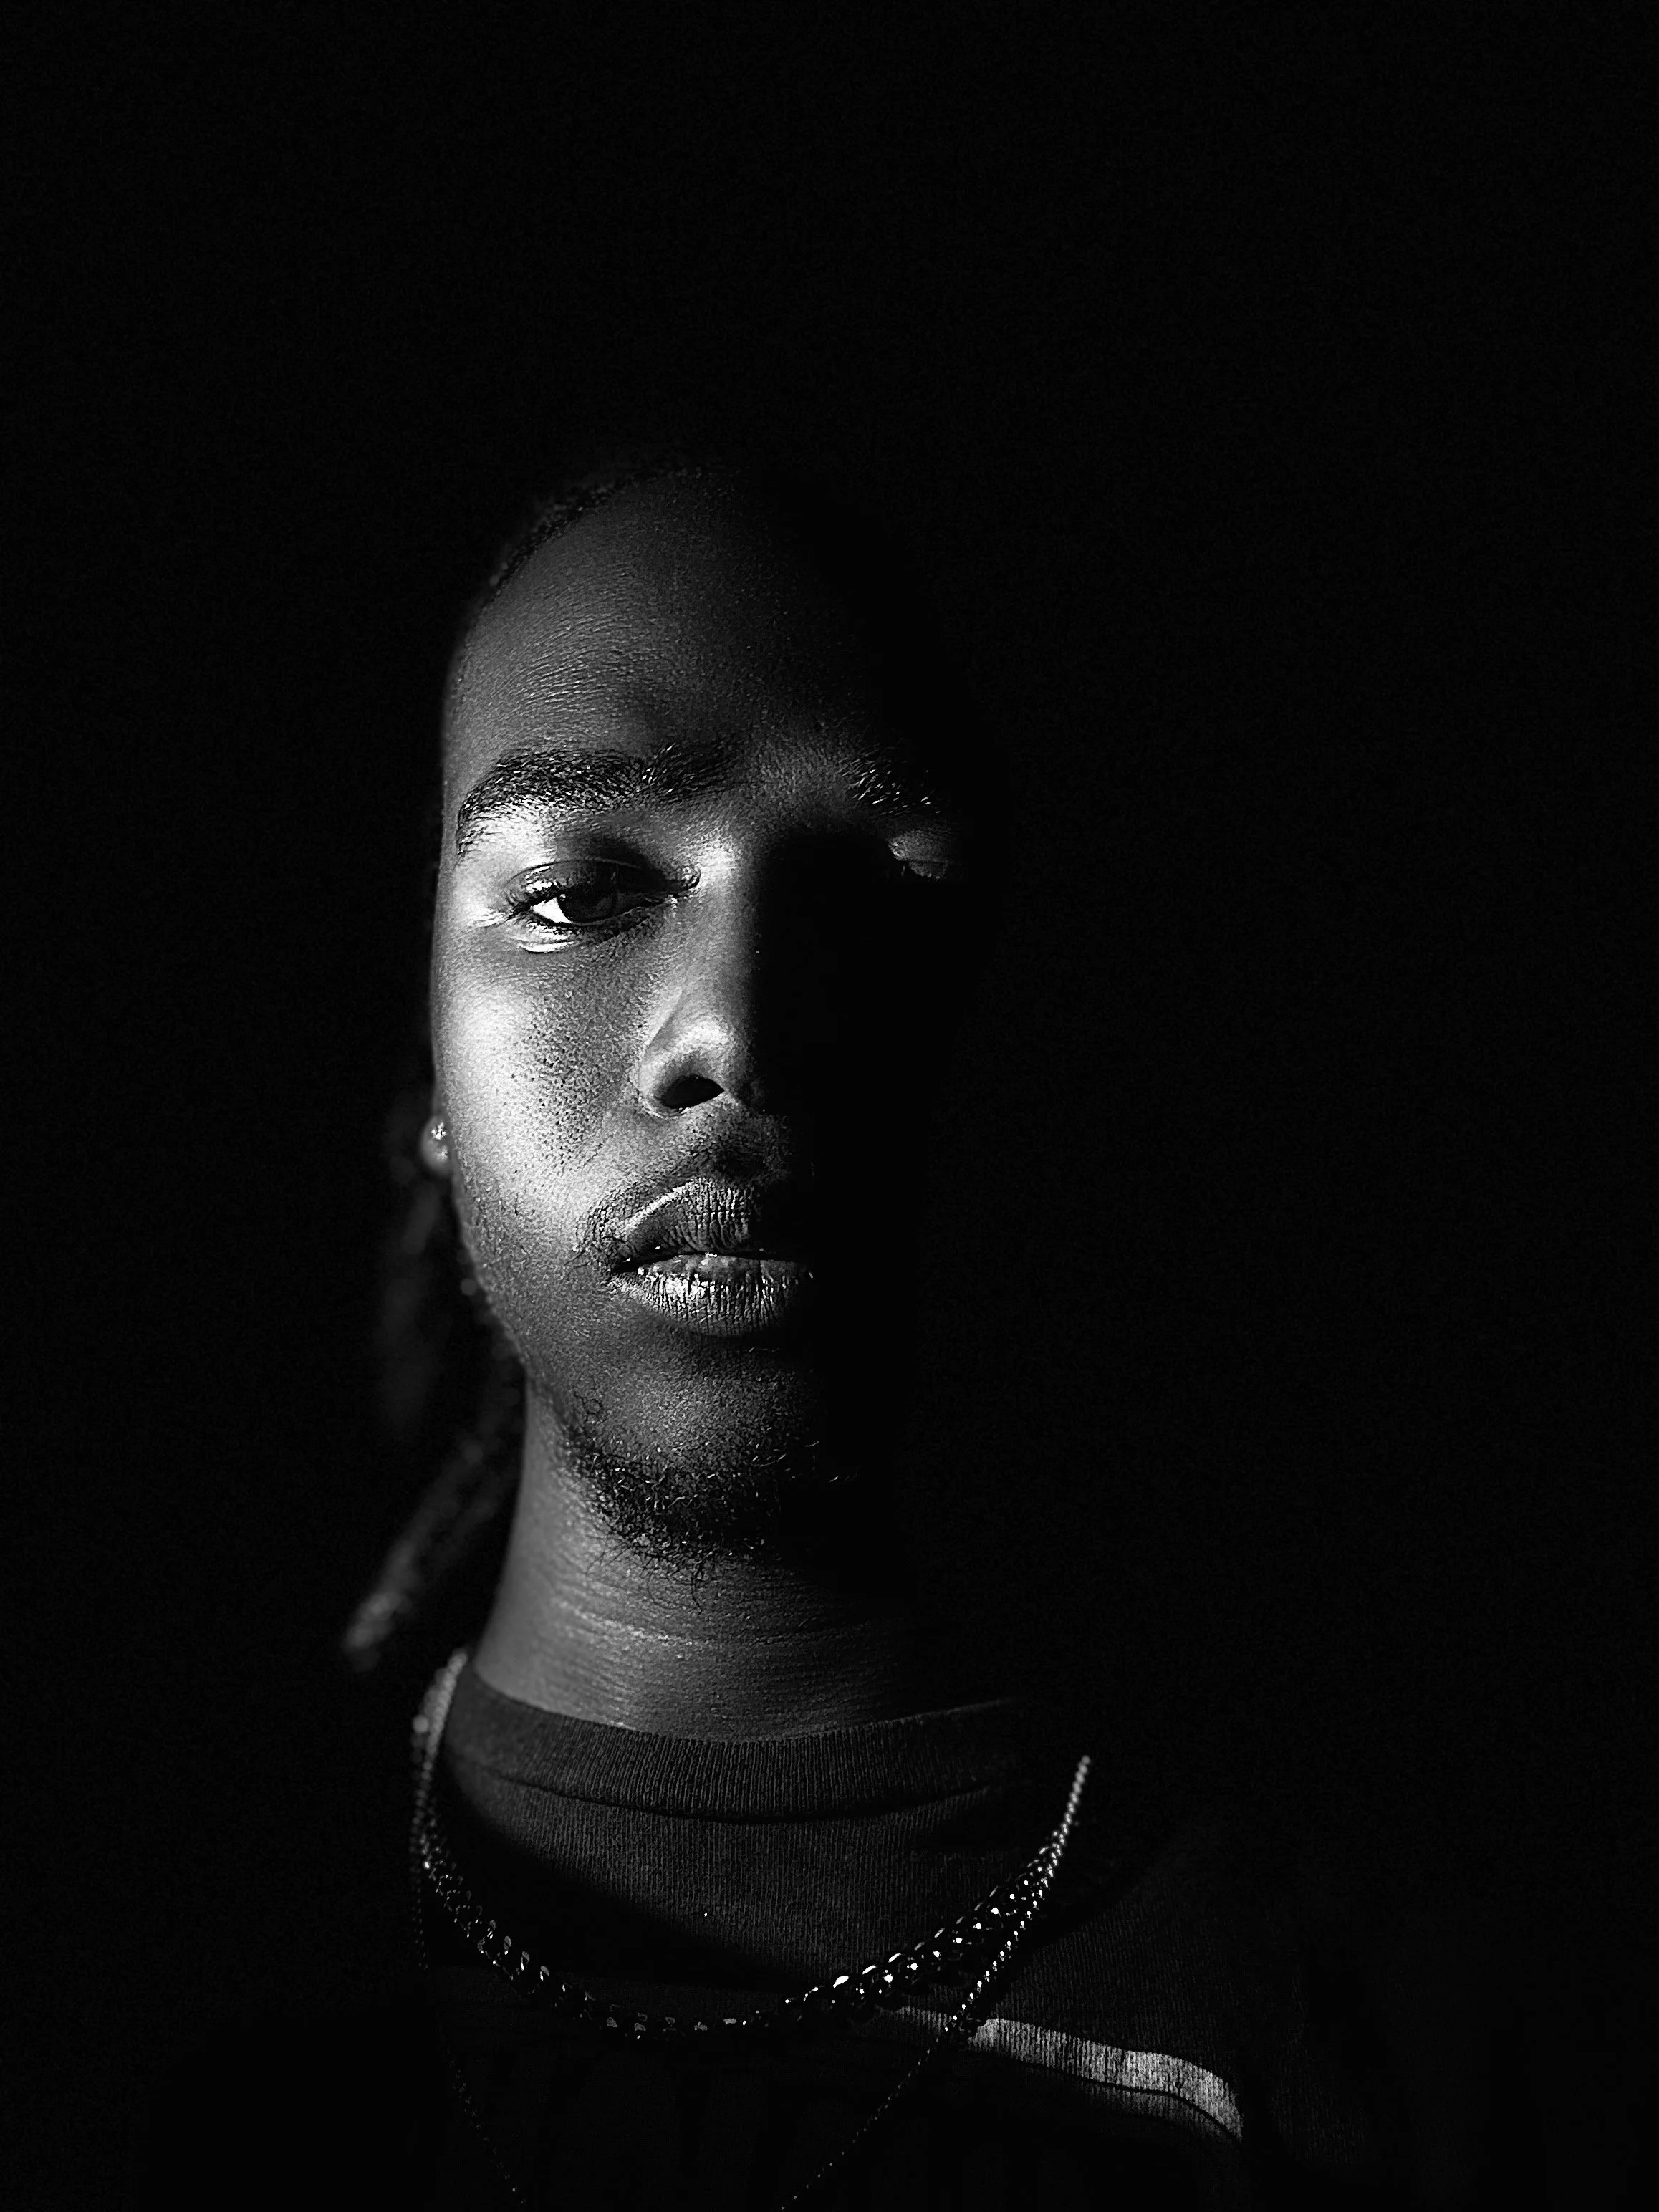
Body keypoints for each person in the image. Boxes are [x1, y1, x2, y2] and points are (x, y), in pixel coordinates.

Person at [331, 447, 1457, 2208]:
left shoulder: (1362, 2041)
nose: (737, 1031)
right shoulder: (156, 1965)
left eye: (876, 888)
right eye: (579, 895)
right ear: (432, 1080)